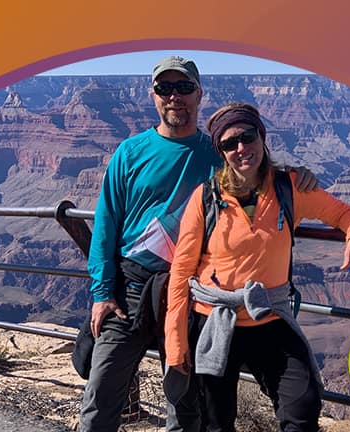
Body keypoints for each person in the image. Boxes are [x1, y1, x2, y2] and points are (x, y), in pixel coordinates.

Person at [80, 56, 319, 432]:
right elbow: (106, 226)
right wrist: (101, 292)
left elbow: (255, 166)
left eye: (184, 87)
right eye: (165, 88)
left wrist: (298, 174)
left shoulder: (219, 150)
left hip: (191, 295)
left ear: (199, 94)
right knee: (102, 391)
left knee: (185, 403)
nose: (175, 96)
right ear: (153, 96)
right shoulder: (130, 152)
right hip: (132, 288)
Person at [164, 102, 350, 432]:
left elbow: (346, 214)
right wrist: (176, 343)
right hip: (215, 319)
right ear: (220, 151)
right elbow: (181, 272)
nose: (241, 149)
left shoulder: (290, 188)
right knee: (215, 422)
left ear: (262, 137)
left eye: (247, 137)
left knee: (302, 406)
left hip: (269, 316)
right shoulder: (205, 198)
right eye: (229, 144)